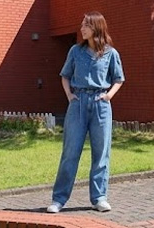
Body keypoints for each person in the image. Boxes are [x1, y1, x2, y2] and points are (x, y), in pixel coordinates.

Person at [47, 12, 125, 213]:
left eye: (86, 26)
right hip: (78, 103)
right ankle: (58, 199)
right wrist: (70, 96)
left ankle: (99, 197)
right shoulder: (75, 51)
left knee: (101, 154)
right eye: (82, 25)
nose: (82, 29)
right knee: (70, 153)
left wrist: (108, 96)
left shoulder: (110, 54)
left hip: (101, 105)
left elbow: (118, 79)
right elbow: (65, 76)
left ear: (96, 28)